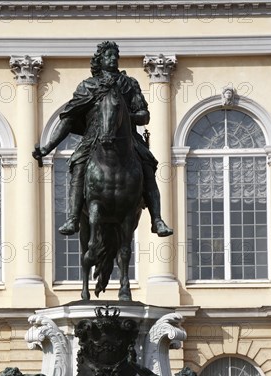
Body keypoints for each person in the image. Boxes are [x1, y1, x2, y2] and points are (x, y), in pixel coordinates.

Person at [33, 41, 173, 238]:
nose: (113, 58)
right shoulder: (88, 86)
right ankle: (73, 217)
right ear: (99, 60)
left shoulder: (129, 84)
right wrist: (48, 147)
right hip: (93, 140)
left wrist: (125, 117)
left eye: (115, 55)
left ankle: (156, 219)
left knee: (148, 164)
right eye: (108, 55)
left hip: (128, 138)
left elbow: (144, 115)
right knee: (79, 164)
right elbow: (69, 119)